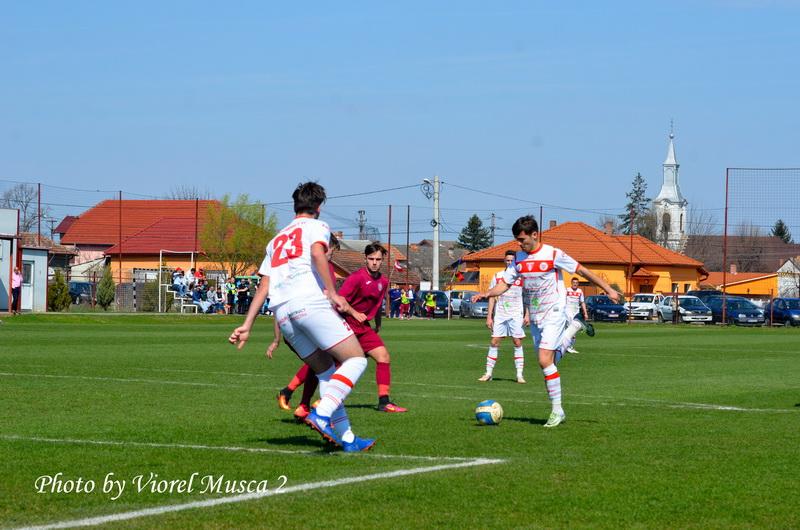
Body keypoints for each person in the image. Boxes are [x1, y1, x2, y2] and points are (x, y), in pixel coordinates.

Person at [229, 181, 375, 452]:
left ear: (295, 205)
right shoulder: (317, 227)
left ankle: (348, 438)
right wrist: (332, 292)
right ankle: (321, 414)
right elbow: (318, 252)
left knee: (327, 373)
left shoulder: (276, 239)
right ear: (319, 207)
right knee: (356, 359)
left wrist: (247, 324)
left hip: (283, 314)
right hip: (309, 303)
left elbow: (264, 284)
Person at [473, 215, 619, 428]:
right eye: (517, 240)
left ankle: (557, 411)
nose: (519, 244)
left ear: (534, 234)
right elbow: (504, 284)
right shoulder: (519, 259)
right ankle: (570, 334)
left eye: (522, 240)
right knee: (549, 361)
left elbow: (581, 270)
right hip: (535, 315)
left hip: (555, 311)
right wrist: (486, 293)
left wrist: (608, 289)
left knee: (544, 360)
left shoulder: (553, 254)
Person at [338, 243, 407, 412]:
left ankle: (384, 402)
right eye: (371, 259)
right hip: (345, 323)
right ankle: (293, 392)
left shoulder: (383, 281)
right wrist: (354, 313)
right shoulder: (356, 277)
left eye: (378, 259)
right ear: (365, 259)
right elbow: (340, 301)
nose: (375, 262)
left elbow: (376, 305)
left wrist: (378, 324)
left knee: (383, 356)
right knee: (328, 363)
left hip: (363, 326)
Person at [478, 250, 530, 384]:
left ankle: (519, 375)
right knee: (494, 341)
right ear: (504, 261)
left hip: (516, 313)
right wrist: (489, 316)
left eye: (511, 260)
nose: (509, 262)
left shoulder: (521, 277)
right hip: (500, 313)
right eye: (507, 260)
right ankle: (488, 373)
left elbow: (527, 296)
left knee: (517, 341)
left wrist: (527, 314)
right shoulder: (498, 276)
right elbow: (491, 296)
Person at [564, 277, 590, 354]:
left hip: (576, 312)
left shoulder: (580, 291)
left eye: (576, 283)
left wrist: (585, 313)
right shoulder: (567, 290)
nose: (575, 284)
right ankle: (569, 347)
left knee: (574, 329)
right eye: (574, 282)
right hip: (568, 311)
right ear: (571, 283)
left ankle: (567, 346)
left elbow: (582, 302)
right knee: (572, 328)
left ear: (578, 284)